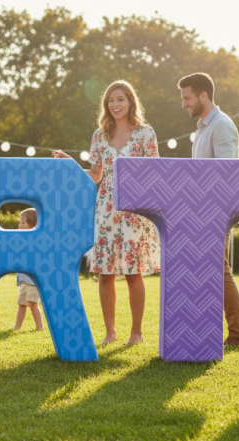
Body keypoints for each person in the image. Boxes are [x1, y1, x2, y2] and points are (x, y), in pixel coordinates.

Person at [53, 80, 161, 346]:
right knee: (106, 272)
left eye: (121, 99)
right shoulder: (100, 135)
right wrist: (71, 165)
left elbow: (157, 171)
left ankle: (136, 333)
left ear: (131, 102)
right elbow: (96, 175)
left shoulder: (146, 133)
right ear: (106, 104)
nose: (115, 104)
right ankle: (110, 333)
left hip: (135, 209)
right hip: (106, 210)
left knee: (134, 272)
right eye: (111, 100)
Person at [179, 72, 239, 346]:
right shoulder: (202, 127)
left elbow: (226, 174)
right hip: (200, 212)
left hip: (216, 213)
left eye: (187, 98)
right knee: (211, 270)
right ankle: (213, 330)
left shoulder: (221, 125)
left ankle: (238, 334)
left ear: (203, 95)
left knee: (219, 270)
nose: (184, 103)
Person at [14, 209, 44, 332]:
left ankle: (39, 327)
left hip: (33, 280)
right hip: (23, 279)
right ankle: (17, 327)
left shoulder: (35, 240)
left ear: (32, 225)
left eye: (23, 223)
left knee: (32, 303)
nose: (19, 225)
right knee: (21, 304)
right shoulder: (20, 239)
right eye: (19, 222)